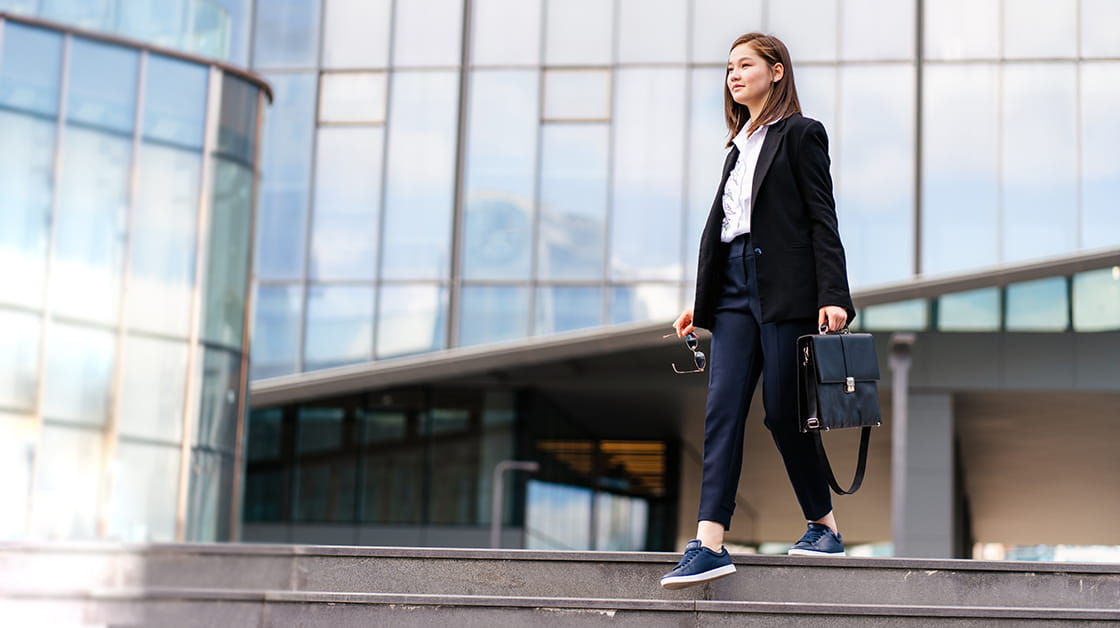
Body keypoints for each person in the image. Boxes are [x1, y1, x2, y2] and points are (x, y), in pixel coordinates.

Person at [659, 32, 856, 590]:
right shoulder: (737, 147)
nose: (733, 75)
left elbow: (823, 219)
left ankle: (823, 525)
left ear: (776, 71)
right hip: (733, 292)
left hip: (786, 290)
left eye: (745, 65)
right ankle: (709, 542)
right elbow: (725, 231)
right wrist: (701, 302)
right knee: (721, 409)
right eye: (728, 68)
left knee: (781, 413)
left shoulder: (800, 134)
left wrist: (833, 296)